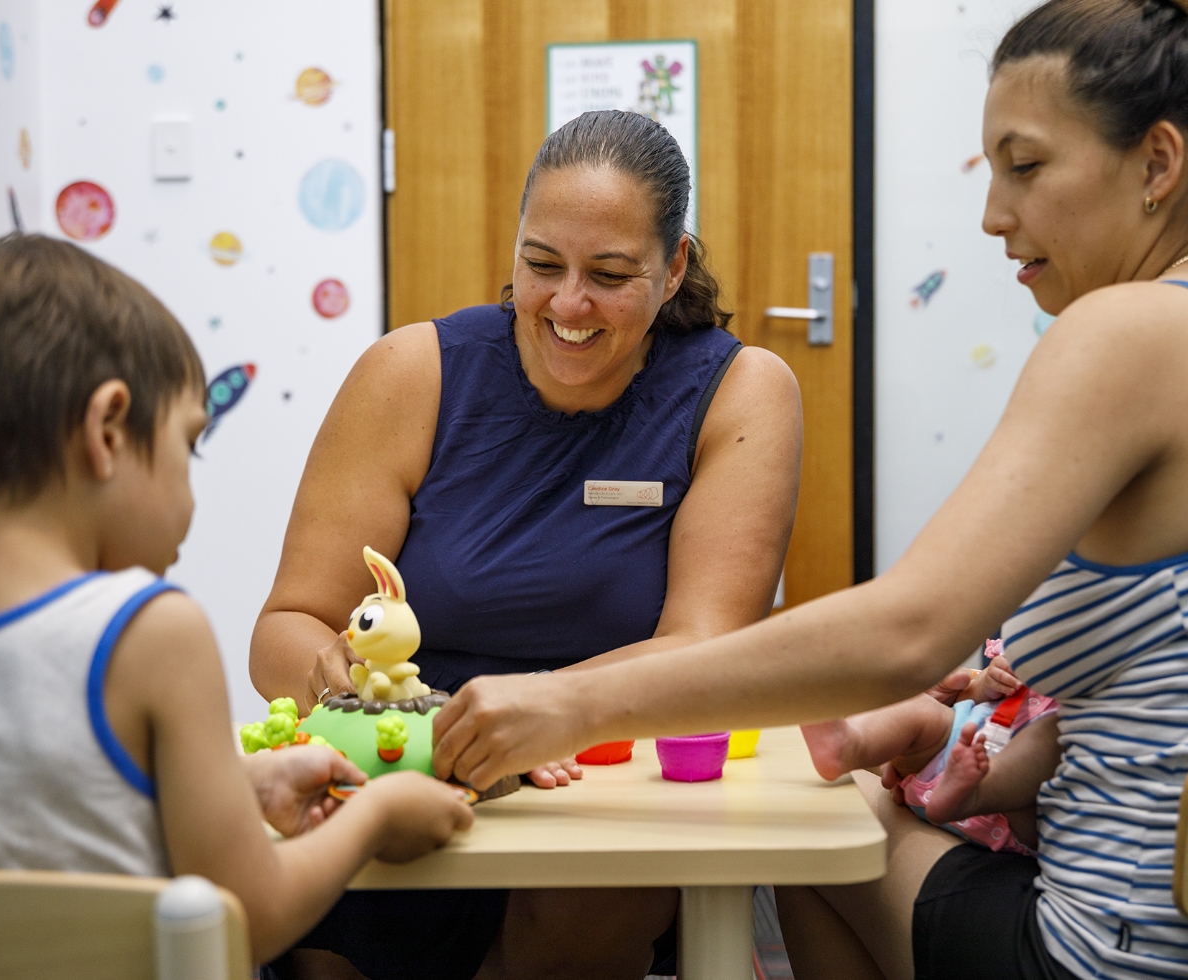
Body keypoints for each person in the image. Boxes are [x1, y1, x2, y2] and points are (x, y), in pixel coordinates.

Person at [428, 1, 1188, 977]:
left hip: (1144, 953)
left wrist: (569, 702)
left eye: (1026, 166)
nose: (993, 215)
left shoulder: (1134, 330)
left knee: (818, 823)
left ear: (1156, 163)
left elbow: (903, 631)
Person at [250, 109, 801, 980]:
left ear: (674, 267)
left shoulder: (739, 393)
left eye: (611, 274)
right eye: (542, 265)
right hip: (398, 779)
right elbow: (288, 623)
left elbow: (705, 649)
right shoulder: (411, 373)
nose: (568, 304)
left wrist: (537, 715)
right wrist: (350, 687)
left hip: (602, 786)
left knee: (589, 905)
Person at [0, 235, 474, 967]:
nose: (190, 492)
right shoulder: (150, 632)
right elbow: (247, 919)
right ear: (108, 431)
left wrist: (234, 785)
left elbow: (19, 803)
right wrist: (378, 818)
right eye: (187, 445)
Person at [803, 644, 1060, 854]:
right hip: (952, 755)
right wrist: (987, 684)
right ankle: (847, 744)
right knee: (916, 709)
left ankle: (973, 793)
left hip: (1012, 812)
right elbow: (972, 693)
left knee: (1053, 738)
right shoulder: (1025, 647)